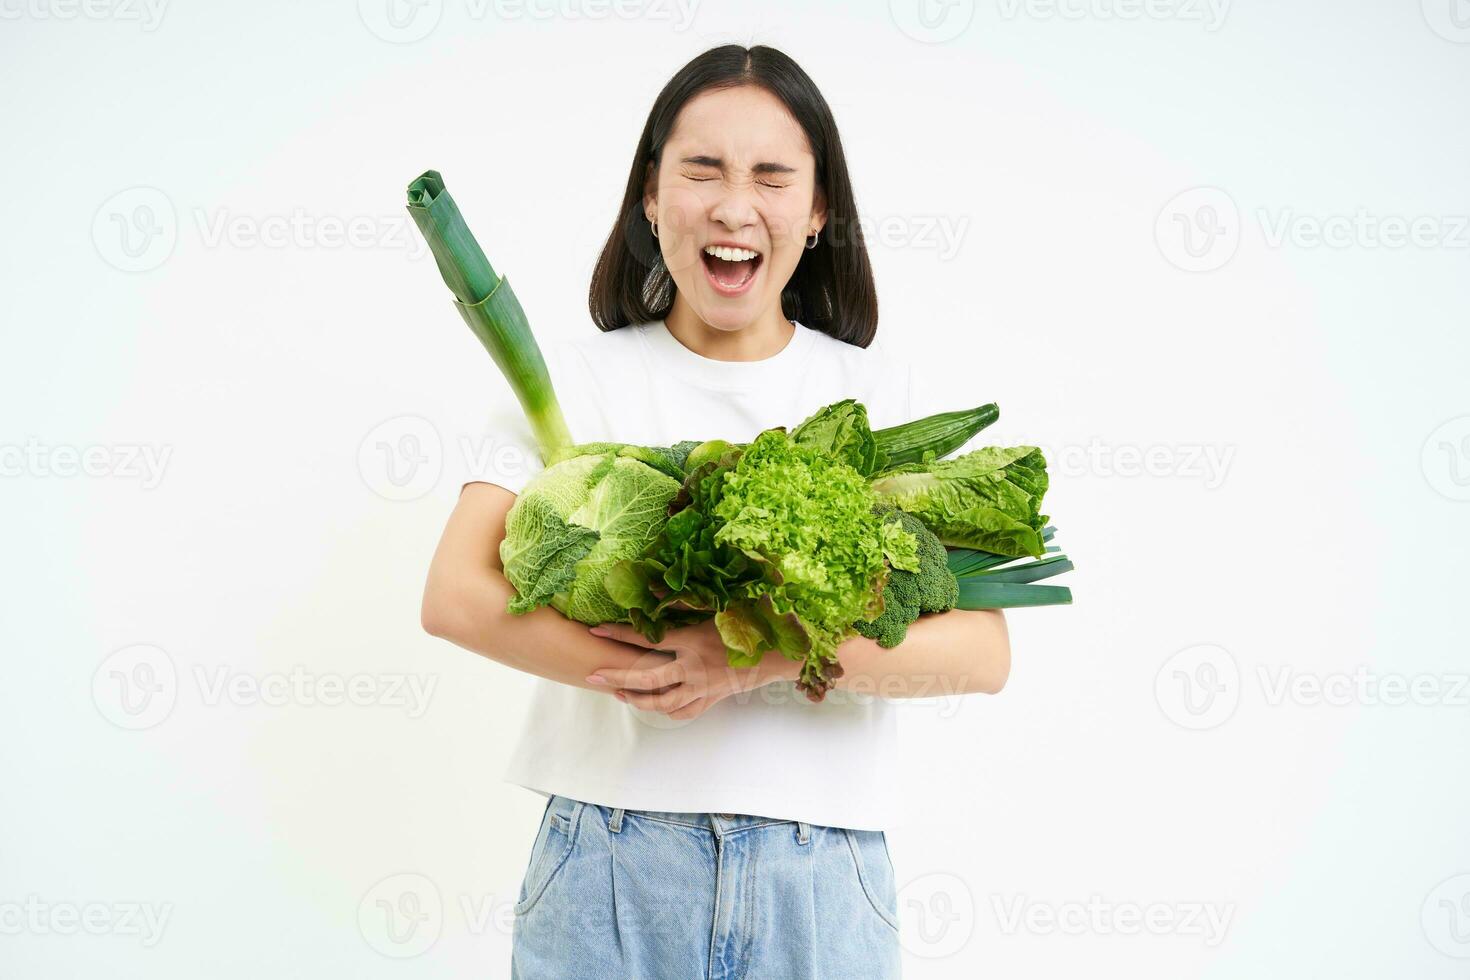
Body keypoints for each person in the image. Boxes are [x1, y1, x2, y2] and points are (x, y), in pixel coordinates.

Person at [420, 44, 1012, 979]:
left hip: (820, 878)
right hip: (605, 861)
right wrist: (664, 670)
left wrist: (751, 662)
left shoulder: (875, 395)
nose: (735, 207)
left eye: (773, 177)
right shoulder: (569, 381)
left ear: (818, 212)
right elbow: (454, 596)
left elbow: (982, 652)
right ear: (650, 196)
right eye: (701, 170)